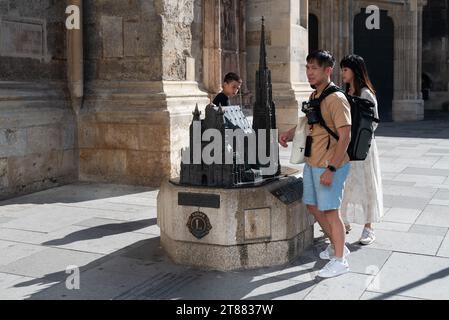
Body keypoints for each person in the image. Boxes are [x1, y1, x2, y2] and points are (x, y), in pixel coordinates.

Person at [279, 50, 352, 278]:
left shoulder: (336, 99)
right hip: (312, 162)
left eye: (314, 68)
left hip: (331, 164)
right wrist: (290, 134)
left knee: (331, 210)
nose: (309, 73)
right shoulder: (315, 96)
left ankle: (340, 260)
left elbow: (345, 135)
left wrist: (332, 168)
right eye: (307, 68)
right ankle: (337, 245)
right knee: (312, 205)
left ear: (328, 70)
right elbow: (308, 122)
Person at [340, 54, 383, 245]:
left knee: (367, 185)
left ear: (355, 71)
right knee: (346, 183)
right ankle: (343, 221)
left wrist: (358, 138)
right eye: (342, 69)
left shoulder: (366, 93)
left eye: (345, 69)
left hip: (363, 147)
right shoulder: (345, 92)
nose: (342, 73)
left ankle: (368, 227)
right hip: (347, 146)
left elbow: (374, 122)